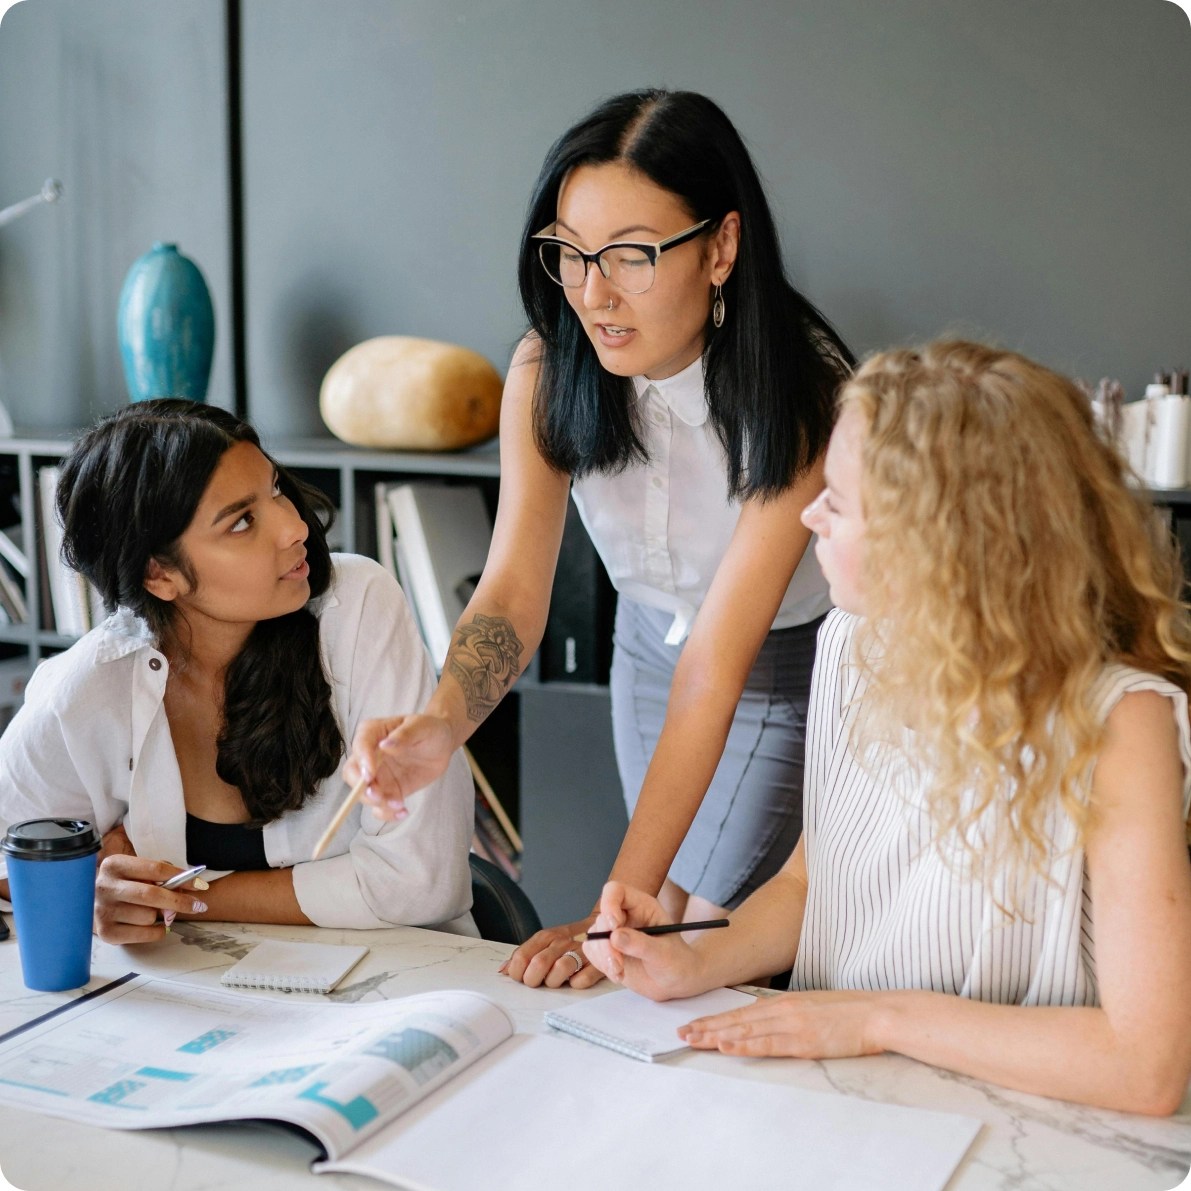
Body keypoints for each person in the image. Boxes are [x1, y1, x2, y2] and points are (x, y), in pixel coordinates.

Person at [580, 340, 1191, 1114]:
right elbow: (811, 883)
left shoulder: (1119, 721)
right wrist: (693, 960)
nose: (807, 515)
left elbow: (1146, 1068)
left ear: (931, 542)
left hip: (1029, 1123)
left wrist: (879, 1018)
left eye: (835, 501)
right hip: (848, 1100)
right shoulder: (848, 642)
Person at [347, 88, 853, 988]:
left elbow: (719, 660)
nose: (592, 293)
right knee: (657, 938)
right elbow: (509, 595)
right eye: (571, 255)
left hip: (779, 666)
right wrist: (438, 725)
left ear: (721, 246)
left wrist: (617, 900)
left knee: (694, 937)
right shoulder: (547, 368)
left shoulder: (802, 392)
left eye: (630, 255)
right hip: (646, 654)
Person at [0, 400, 474, 942]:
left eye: (275, 489)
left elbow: (419, 882)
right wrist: (93, 889)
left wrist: (179, 898)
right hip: (203, 999)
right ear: (159, 575)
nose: (295, 527)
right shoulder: (93, 683)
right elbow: (8, 847)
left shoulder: (357, 606)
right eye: (242, 522)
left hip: (397, 983)